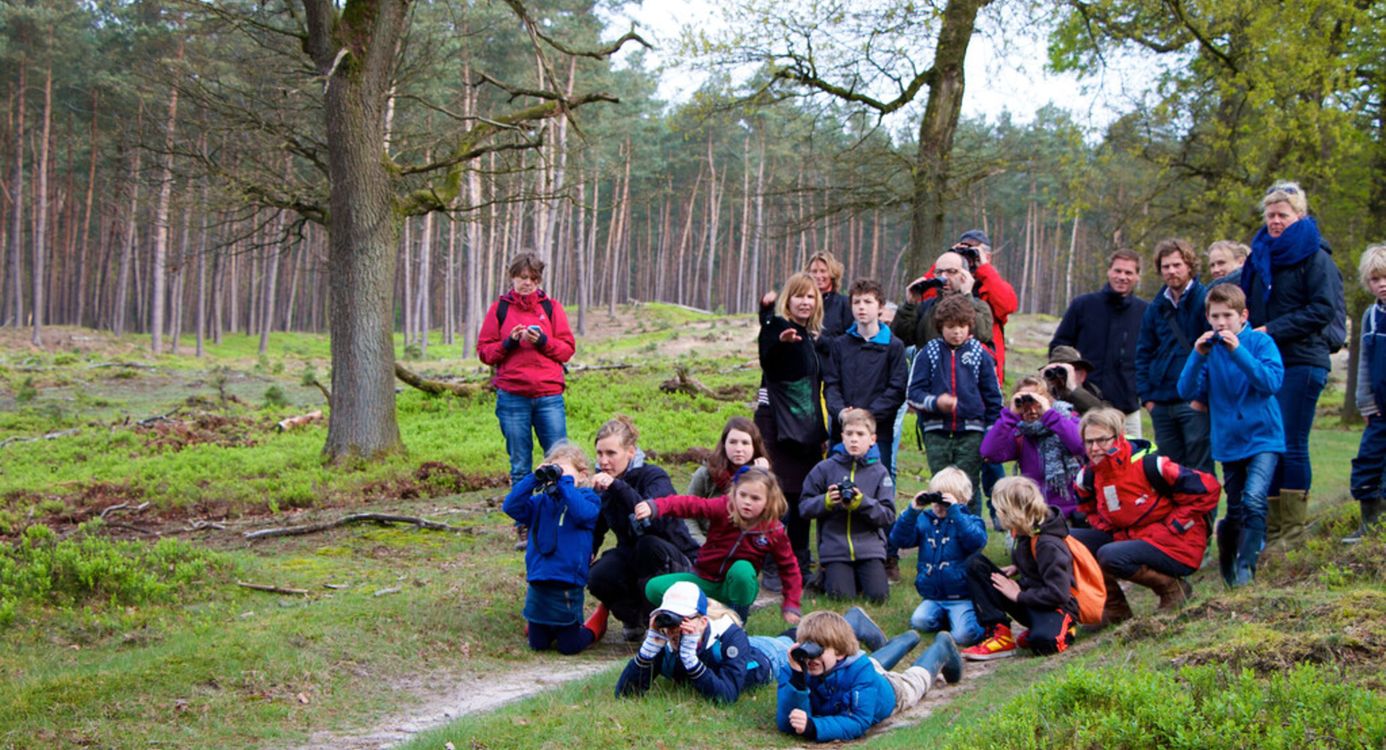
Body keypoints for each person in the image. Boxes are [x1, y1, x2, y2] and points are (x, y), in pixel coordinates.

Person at [1241, 182, 1344, 549]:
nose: (1275, 221)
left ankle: (1293, 531)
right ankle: (1270, 528)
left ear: (1298, 216)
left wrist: (1272, 330)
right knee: (1268, 440)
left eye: (1282, 214)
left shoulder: (1316, 257)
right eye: (1270, 215)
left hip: (1303, 359)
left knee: (1291, 441)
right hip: (1266, 362)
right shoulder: (1258, 258)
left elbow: (1322, 309)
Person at [1177, 285, 1284, 586]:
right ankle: (1228, 554)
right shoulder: (1209, 351)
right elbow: (1185, 391)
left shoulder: (1260, 342)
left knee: (1254, 498)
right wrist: (1197, 355)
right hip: (1228, 441)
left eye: (1228, 316)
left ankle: (1246, 568)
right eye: (1215, 316)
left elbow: (1270, 382)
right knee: (1235, 508)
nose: (1221, 323)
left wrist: (1238, 351)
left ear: (1243, 316)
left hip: (1264, 437)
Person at [1070, 409, 1220, 621]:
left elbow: (1209, 488)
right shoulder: (1087, 476)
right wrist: (1108, 528)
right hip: (1131, 539)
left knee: (1110, 554)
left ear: (1118, 437)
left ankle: (1172, 589)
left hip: (1176, 543)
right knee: (1067, 542)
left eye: (1102, 440)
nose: (1095, 448)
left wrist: (1176, 524)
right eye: (1089, 442)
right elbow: (1088, 510)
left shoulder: (1151, 465)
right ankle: (1115, 608)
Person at [478, 251, 576, 550]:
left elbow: (567, 349)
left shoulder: (552, 308)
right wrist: (510, 341)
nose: (528, 284)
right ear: (513, 277)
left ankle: (560, 518)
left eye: (533, 279)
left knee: (560, 460)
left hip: (549, 395)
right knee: (520, 464)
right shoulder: (500, 310)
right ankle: (523, 526)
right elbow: (485, 352)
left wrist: (542, 340)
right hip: (512, 398)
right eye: (523, 278)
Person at [637, 467, 803, 624]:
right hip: (704, 579)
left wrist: (791, 603)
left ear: (768, 501)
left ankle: (736, 621)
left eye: (755, 498)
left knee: (742, 569)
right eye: (742, 495)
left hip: (734, 588)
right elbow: (689, 505)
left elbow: (789, 568)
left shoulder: (773, 530)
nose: (747, 502)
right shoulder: (723, 508)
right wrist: (656, 506)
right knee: (654, 588)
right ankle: (698, 617)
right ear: (734, 493)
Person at [587, 416, 701, 642]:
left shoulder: (654, 476)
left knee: (647, 546)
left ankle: (663, 626)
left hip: (675, 557)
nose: (604, 461)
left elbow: (653, 518)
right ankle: (634, 618)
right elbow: (596, 526)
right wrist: (586, 552)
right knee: (599, 574)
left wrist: (617, 486)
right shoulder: (603, 485)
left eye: (611, 454)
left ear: (630, 452)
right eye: (600, 454)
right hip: (635, 556)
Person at [776, 611, 964, 742]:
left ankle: (942, 647)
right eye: (807, 648)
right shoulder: (798, 668)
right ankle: (906, 640)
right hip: (856, 670)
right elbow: (787, 722)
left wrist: (814, 726)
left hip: (891, 689)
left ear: (840, 652)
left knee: (916, 681)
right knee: (873, 662)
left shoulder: (860, 670)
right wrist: (797, 679)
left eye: (818, 650)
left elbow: (858, 721)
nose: (811, 657)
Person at [755, 273, 829, 577]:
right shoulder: (779, 328)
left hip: (806, 432)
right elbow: (768, 358)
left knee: (803, 496)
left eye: (811, 296)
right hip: (777, 428)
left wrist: (820, 431)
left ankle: (800, 562)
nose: (805, 302)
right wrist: (777, 336)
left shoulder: (811, 338)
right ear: (789, 299)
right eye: (799, 296)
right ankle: (774, 564)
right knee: (779, 497)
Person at [959, 477, 1080, 661]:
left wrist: (1018, 596)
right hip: (1030, 597)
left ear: (1013, 511)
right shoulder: (1025, 529)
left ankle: (1062, 629)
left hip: (1055, 607)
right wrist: (1018, 567)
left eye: (999, 509)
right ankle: (999, 634)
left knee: (1044, 643)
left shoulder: (1049, 544)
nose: (997, 513)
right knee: (975, 564)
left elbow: (1059, 594)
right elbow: (1034, 559)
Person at [502, 442, 606, 654]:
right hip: (539, 578)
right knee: (537, 645)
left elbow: (582, 514)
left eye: (564, 472)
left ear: (583, 475)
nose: (557, 478)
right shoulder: (540, 502)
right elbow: (510, 506)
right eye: (553, 470)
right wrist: (534, 477)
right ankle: (539, 627)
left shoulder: (588, 499)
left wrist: (566, 483)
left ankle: (595, 626)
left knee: (569, 647)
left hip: (567, 581)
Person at [906, 294, 1003, 516]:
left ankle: (971, 541)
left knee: (968, 486)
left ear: (970, 326)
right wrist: (935, 402)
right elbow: (913, 393)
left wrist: (991, 431)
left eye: (962, 326)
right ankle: (941, 537)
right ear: (941, 327)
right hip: (936, 432)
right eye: (951, 326)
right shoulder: (928, 352)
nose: (957, 332)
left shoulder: (981, 354)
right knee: (941, 485)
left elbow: (994, 398)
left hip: (972, 432)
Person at [799, 408, 898, 603]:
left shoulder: (880, 472)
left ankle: (858, 577)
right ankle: (827, 575)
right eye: (849, 434)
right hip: (835, 548)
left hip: (870, 548)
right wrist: (826, 501)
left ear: (872, 439)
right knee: (841, 598)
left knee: (879, 598)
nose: (854, 439)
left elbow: (888, 515)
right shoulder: (825, 468)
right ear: (842, 437)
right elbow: (804, 507)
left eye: (860, 434)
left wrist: (863, 503)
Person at [614, 582, 769, 703]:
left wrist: (691, 659)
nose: (672, 630)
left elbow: (727, 697)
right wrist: (647, 651)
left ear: (702, 622)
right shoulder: (664, 638)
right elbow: (625, 695)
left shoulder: (729, 636)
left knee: (788, 639)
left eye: (681, 621)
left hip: (767, 654)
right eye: (667, 619)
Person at [1050, 249, 1149, 438]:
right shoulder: (1083, 305)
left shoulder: (1145, 312)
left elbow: (1152, 356)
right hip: (1083, 405)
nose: (1122, 277)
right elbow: (1059, 346)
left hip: (1127, 407)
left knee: (1132, 462)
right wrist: (1071, 379)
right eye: (1118, 271)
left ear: (1137, 276)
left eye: (1128, 273)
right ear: (1109, 271)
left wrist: (1141, 391)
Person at [1135, 238, 1213, 474]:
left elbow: (1214, 352)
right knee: (1169, 470)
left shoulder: (1204, 299)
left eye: (1177, 265)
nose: (1171, 271)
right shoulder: (1157, 306)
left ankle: (1203, 513)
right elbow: (1143, 352)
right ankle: (1175, 513)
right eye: (1166, 266)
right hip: (1161, 401)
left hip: (1194, 400)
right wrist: (1147, 398)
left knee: (1199, 466)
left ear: (1189, 265)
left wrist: (1203, 395)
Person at [889, 467, 987, 645]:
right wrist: (912, 511)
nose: (939, 505)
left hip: (961, 596)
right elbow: (899, 540)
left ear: (962, 500)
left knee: (964, 636)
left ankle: (978, 620)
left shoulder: (969, 521)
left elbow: (976, 542)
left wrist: (956, 513)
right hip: (933, 596)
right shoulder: (925, 520)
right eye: (935, 499)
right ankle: (947, 618)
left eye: (944, 501)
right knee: (919, 622)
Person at [822, 278, 908, 477]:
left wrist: (866, 417)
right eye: (857, 302)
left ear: (880, 307)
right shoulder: (839, 345)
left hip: (878, 433)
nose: (862, 307)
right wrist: (842, 412)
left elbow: (896, 390)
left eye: (868, 302)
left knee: (876, 488)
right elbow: (831, 385)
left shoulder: (894, 347)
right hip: (842, 431)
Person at [980, 377, 1086, 519]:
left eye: (1036, 400)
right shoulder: (1021, 433)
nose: (1031, 407)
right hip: (1035, 515)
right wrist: (1010, 416)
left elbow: (1081, 446)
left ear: (1047, 399)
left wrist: (1049, 415)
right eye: (1024, 401)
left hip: (1071, 515)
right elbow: (989, 452)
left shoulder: (1066, 420)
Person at [1346, 244, 1386, 544]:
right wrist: (1366, 403)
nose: (1381, 284)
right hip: (1379, 411)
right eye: (1374, 279)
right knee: (1367, 464)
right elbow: (1364, 365)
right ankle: (1369, 525)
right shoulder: (1371, 317)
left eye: (1385, 277)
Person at [684, 416, 770, 545]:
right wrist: (702, 544)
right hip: (706, 544)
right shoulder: (706, 473)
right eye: (733, 442)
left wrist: (761, 477)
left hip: (746, 547)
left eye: (745, 443)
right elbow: (687, 512)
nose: (738, 449)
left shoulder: (764, 475)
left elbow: (770, 518)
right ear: (724, 444)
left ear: (754, 446)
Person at [892, 250, 994, 350]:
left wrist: (967, 295)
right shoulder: (925, 307)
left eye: (951, 271)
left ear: (965, 275)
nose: (944, 277)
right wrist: (909, 306)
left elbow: (982, 334)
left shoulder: (979, 306)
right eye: (939, 272)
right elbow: (900, 340)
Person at [1040, 346, 1106, 415]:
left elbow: (1102, 414)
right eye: (1056, 371)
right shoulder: (1045, 392)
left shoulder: (1096, 395)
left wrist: (1073, 388)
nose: (1061, 377)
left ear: (1082, 375)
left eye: (1066, 370)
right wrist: (1042, 386)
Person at [807, 251, 853, 338]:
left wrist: (821, 341)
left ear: (833, 274)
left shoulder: (844, 304)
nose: (818, 276)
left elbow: (849, 342)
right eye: (814, 271)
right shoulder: (803, 303)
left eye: (823, 271)